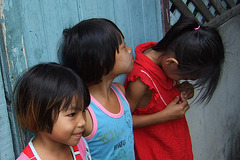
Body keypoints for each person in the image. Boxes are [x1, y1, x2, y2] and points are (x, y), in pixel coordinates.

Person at [124, 16, 225, 160]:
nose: (184, 80)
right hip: (155, 154)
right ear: (171, 62)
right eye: (186, 77)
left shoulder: (167, 63)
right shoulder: (141, 81)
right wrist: (164, 116)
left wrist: (183, 89)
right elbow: (123, 122)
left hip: (176, 149)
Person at [59, 18, 135, 159]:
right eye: (123, 47)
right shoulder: (85, 112)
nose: (130, 50)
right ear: (101, 60)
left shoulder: (120, 91)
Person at [14, 63, 91, 160]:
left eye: (84, 110)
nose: (83, 122)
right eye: (72, 114)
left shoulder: (80, 144)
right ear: (39, 117)